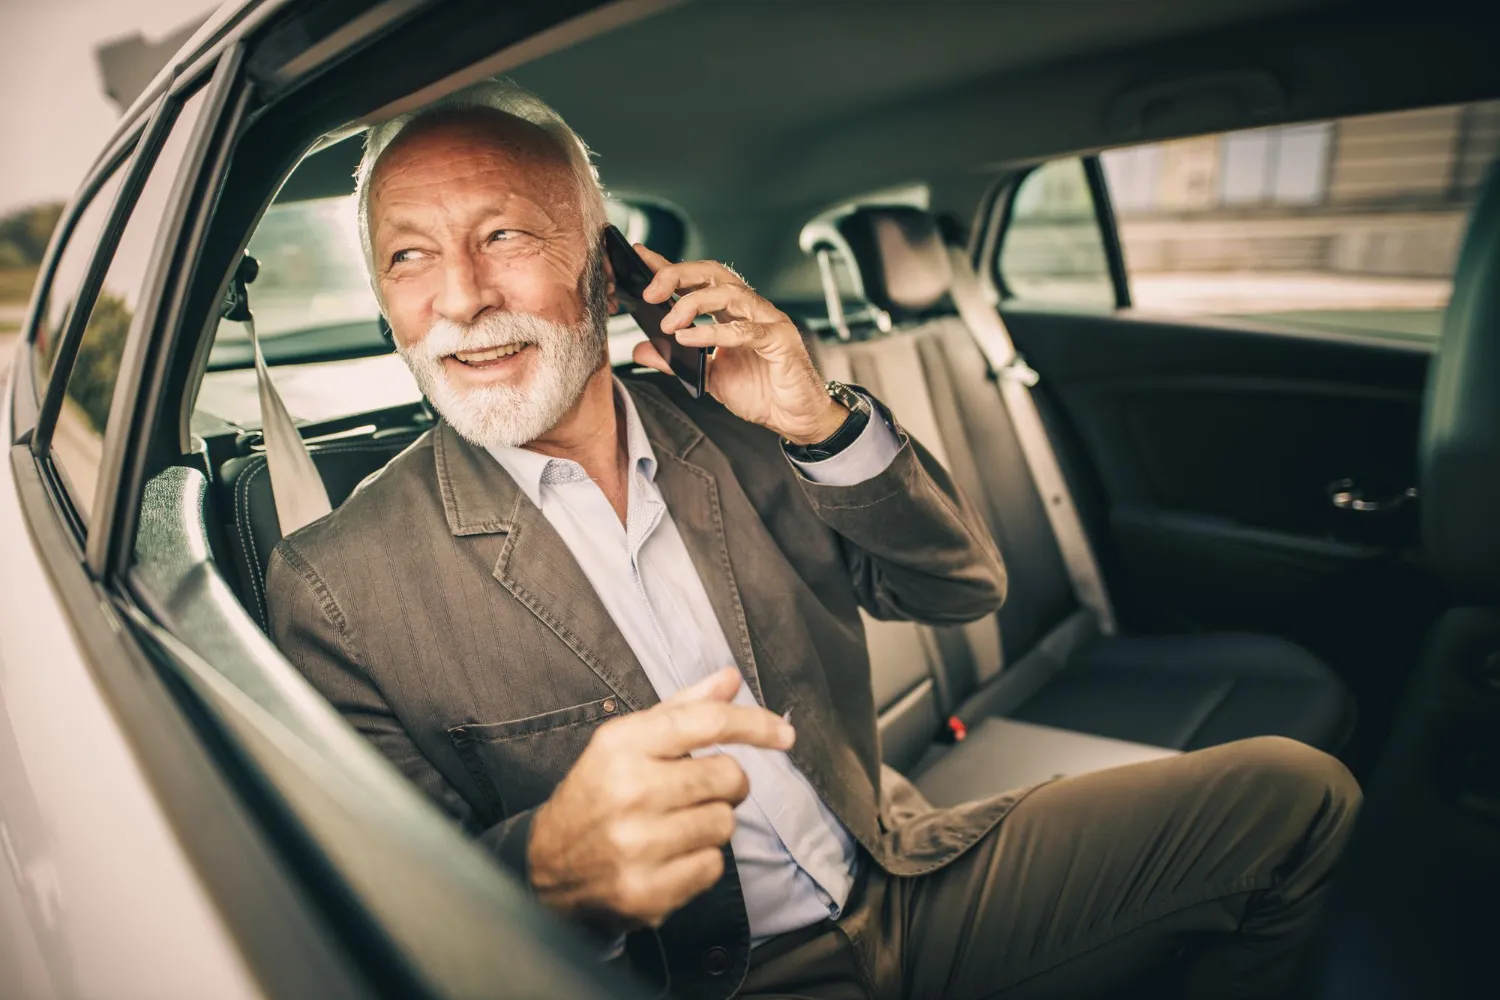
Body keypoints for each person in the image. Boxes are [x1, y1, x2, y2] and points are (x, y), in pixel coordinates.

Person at [265, 79, 1361, 1000]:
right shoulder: (338, 587)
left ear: (607, 271)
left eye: (502, 235)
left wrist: (816, 420)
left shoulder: (741, 431)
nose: (458, 297)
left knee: (1297, 799)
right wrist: (552, 875)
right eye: (409, 258)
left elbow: (961, 589)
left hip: (902, 878)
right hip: (701, 980)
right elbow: (381, 912)